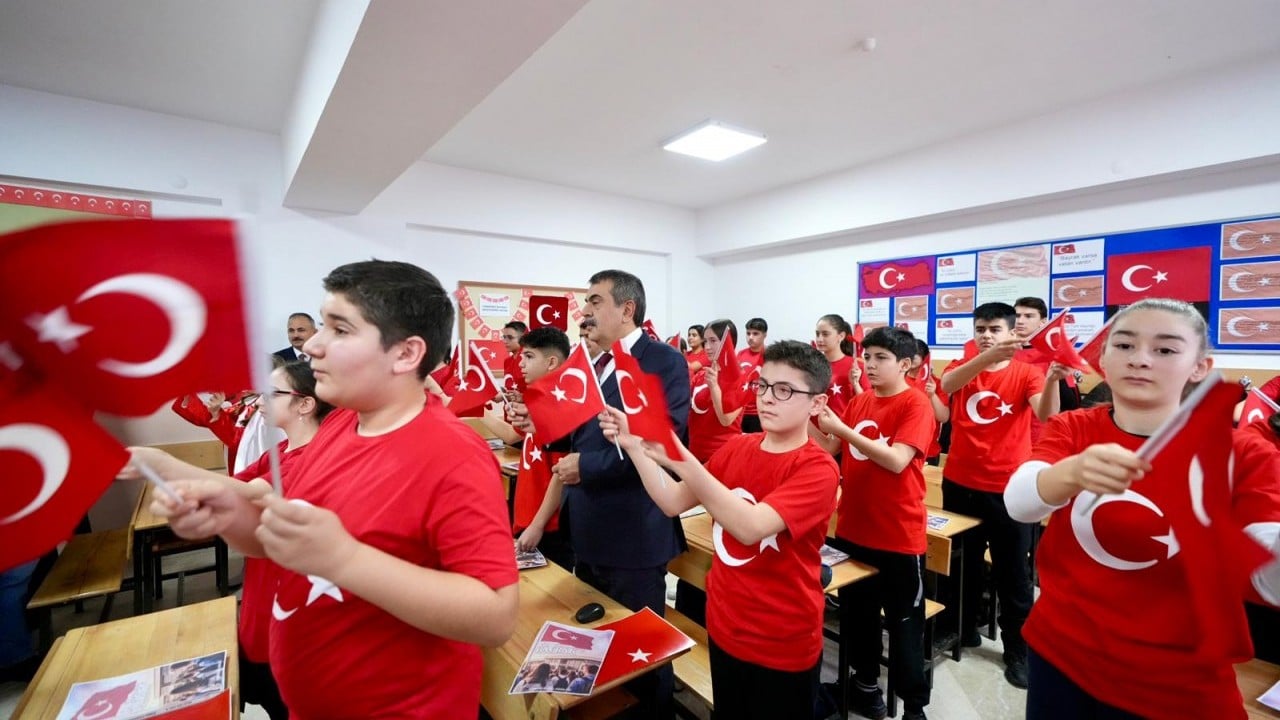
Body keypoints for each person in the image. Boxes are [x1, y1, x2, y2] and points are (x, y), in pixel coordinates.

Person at [149, 260, 519, 718]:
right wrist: (231, 518)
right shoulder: (342, 421)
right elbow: (285, 535)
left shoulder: (453, 454)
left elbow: (496, 616)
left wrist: (345, 560)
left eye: (340, 330)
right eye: (322, 326)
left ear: (405, 354)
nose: (314, 346)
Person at [1004, 298, 1280, 718]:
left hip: (1176, 680)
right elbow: (1021, 501)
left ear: (1200, 366)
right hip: (1061, 653)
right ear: (1103, 357)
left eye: (1165, 349)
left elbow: (1269, 578)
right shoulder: (1074, 427)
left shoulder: (1243, 453)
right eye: (1125, 345)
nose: (1140, 361)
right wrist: (1073, 473)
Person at [600, 340, 839, 720]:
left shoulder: (817, 468)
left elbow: (749, 527)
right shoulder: (737, 448)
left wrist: (682, 459)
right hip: (727, 626)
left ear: (817, 404)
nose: (767, 399)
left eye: (784, 390)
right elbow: (672, 501)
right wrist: (635, 448)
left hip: (782, 640)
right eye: (761, 386)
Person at [516, 269, 689, 718]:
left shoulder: (661, 361)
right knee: (598, 647)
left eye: (594, 302)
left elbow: (664, 439)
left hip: (633, 530)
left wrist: (586, 466)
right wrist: (542, 428)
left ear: (626, 309)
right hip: (587, 525)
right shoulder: (591, 363)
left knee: (644, 650)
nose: (585, 311)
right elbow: (577, 436)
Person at [130, 361, 334, 720]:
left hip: (287, 594)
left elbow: (248, 494)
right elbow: (242, 488)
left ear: (305, 404)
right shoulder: (279, 451)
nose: (258, 402)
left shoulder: (314, 457)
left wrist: (165, 465)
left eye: (272, 394)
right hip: (262, 590)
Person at [939, 301, 1064, 689]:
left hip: (1009, 490)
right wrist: (985, 357)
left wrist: (1055, 379)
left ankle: (1017, 651)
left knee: (1014, 574)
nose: (986, 335)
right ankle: (963, 629)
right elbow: (947, 388)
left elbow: (1046, 414)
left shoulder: (1027, 372)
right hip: (959, 482)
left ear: (1013, 332)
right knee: (963, 567)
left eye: (995, 329)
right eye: (980, 329)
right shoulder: (961, 370)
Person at [816, 327, 934, 720]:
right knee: (858, 618)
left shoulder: (915, 404)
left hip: (899, 535)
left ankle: (915, 706)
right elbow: (833, 447)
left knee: (904, 625)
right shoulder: (861, 400)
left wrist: (842, 429)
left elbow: (898, 460)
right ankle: (865, 688)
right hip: (854, 530)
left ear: (905, 364)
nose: (870, 364)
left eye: (881, 357)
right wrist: (810, 419)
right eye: (867, 357)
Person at [481, 327, 575, 570]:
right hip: (527, 512)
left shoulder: (561, 407)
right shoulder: (536, 399)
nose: (520, 362)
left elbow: (561, 475)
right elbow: (515, 434)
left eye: (529, 356)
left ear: (552, 362)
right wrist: (477, 410)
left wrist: (537, 525)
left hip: (548, 524)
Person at [1012, 297, 1081, 441]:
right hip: (1007, 433)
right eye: (1017, 316)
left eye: (1029, 316)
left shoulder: (1054, 355)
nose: (1020, 321)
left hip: (1041, 435)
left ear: (1043, 322)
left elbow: (1070, 403)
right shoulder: (999, 352)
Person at [689, 319, 744, 463]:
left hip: (723, 455)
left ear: (728, 342)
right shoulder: (701, 374)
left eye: (713, 341)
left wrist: (714, 386)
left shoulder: (741, 379)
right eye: (705, 341)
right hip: (696, 452)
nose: (707, 347)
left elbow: (726, 419)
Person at [737, 317, 768, 433]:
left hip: (760, 411)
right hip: (740, 411)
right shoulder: (740, 354)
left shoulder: (770, 355)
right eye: (748, 333)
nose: (750, 337)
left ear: (764, 335)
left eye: (755, 334)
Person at [500, 321, 528, 393]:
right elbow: (510, 386)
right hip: (510, 403)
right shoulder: (507, 361)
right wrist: (503, 393)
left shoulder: (530, 359)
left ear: (522, 338)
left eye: (510, 337)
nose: (505, 341)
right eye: (504, 337)